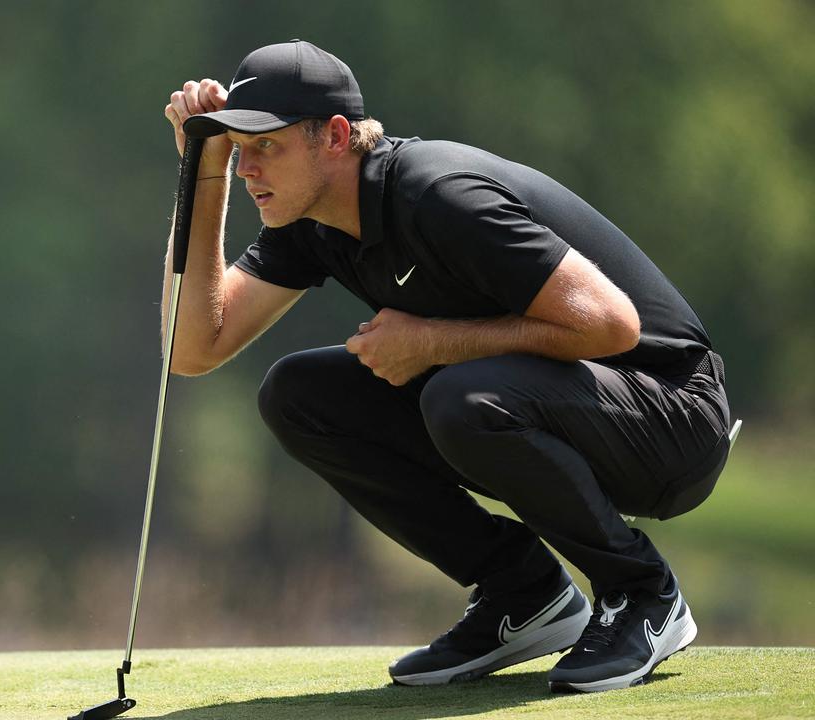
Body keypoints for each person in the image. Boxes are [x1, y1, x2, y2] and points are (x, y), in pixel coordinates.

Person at [159, 40, 732, 694]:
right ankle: (526, 596)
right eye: (240, 149)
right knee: (298, 395)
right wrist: (201, 175)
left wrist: (432, 341)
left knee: (460, 397)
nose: (248, 169)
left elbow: (611, 324)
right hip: (573, 405)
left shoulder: (438, 193)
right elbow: (192, 347)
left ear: (337, 136)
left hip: (675, 419)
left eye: (267, 146)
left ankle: (643, 593)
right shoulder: (310, 219)